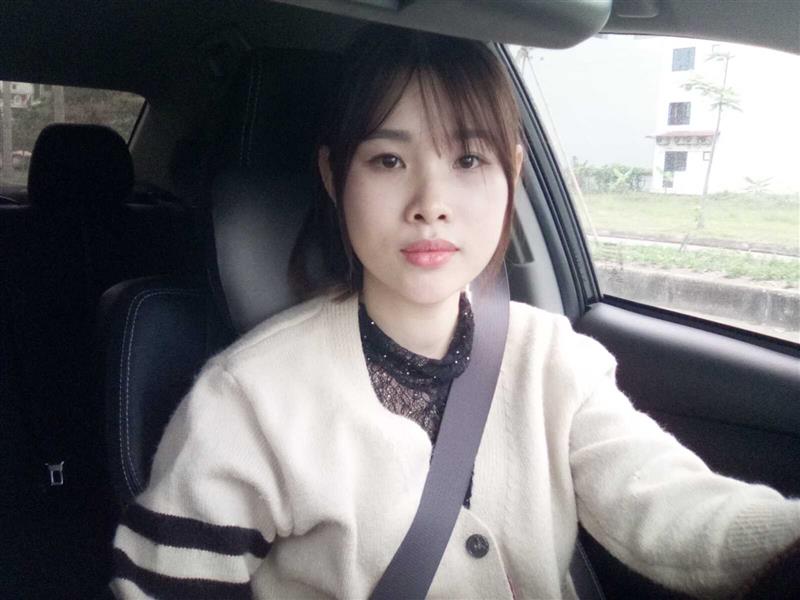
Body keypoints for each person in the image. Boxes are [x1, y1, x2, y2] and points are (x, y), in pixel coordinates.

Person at [109, 26, 800, 599]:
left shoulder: (555, 361)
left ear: (512, 175)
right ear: (333, 177)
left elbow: (676, 509)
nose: (430, 203)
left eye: (469, 159)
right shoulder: (248, 399)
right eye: (388, 160)